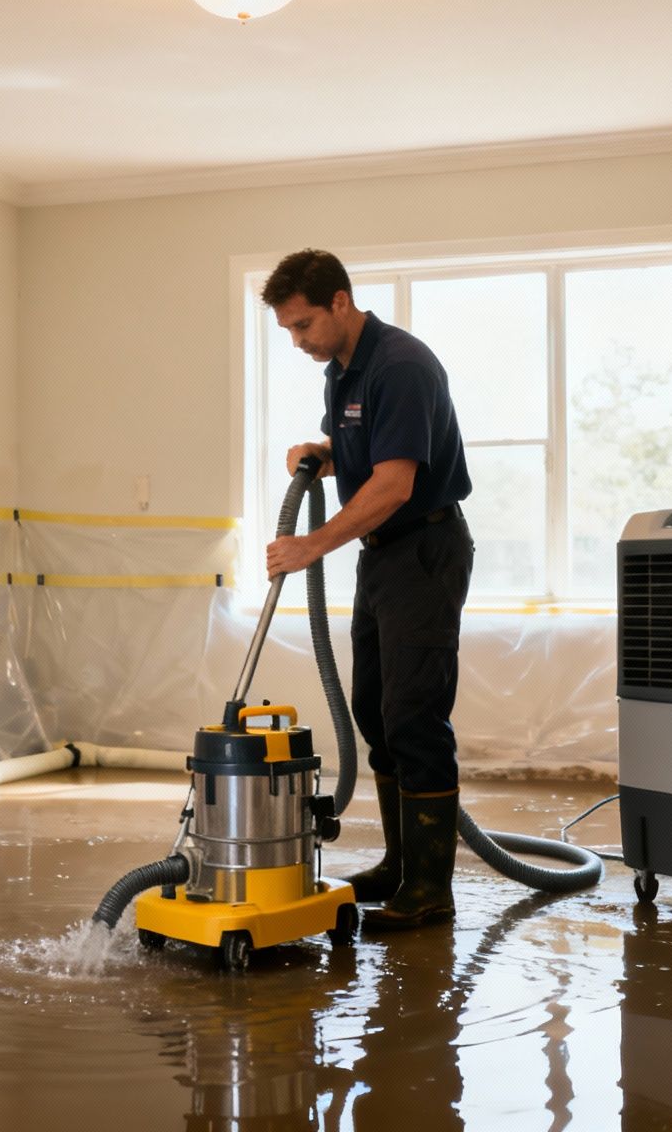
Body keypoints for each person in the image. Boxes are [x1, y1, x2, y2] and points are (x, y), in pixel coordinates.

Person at [260, 248, 474, 932]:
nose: (297, 342)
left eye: (301, 326)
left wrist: (309, 546)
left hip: (424, 551)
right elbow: (366, 448)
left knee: (414, 715)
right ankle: (397, 864)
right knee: (376, 713)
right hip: (383, 556)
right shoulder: (343, 371)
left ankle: (430, 892)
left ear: (340, 304)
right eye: (288, 330)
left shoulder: (401, 365)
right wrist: (322, 454)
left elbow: (395, 483)